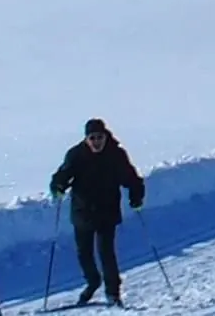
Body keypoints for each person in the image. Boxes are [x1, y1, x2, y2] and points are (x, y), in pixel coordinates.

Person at [49, 119, 144, 308]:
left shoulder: (116, 155)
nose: (96, 142)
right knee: (84, 253)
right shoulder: (76, 155)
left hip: (106, 211)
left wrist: (136, 196)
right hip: (82, 211)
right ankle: (93, 281)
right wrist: (58, 186)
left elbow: (131, 178)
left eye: (100, 137)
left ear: (106, 136)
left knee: (106, 252)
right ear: (86, 139)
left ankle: (113, 292)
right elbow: (62, 175)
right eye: (92, 138)